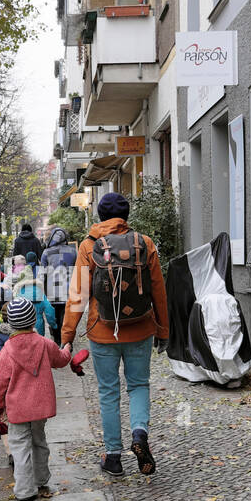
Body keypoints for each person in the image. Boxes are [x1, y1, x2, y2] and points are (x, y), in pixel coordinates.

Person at [61, 191, 169, 478]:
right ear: (127, 216)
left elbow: (78, 295)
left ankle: (113, 457)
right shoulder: (144, 243)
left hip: (102, 332)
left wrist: (67, 336)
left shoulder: (89, 246)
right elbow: (158, 290)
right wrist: (163, 329)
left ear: (99, 217)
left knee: (108, 392)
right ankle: (139, 434)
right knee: (138, 386)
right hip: (141, 328)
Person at [0, 296, 73, 501]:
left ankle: (25, 490)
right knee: (39, 442)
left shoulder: (7, 351)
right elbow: (61, 360)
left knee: (19, 447)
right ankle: (41, 479)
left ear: (9, 323)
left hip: (17, 409)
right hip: (40, 407)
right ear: (33, 320)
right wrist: (68, 349)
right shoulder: (44, 344)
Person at [40, 226, 77, 333]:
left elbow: (42, 274)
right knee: (66, 317)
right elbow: (78, 271)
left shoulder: (46, 253)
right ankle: (66, 342)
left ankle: (56, 340)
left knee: (53, 316)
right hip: (68, 290)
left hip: (52, 291)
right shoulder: (73, 251)